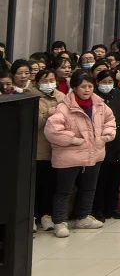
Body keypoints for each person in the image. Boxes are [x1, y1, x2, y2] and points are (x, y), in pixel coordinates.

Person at [44, 73, 117, 238]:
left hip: (94, 153)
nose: (87, 90)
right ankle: (60, 221)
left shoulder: (100, 105)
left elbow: (110, 121)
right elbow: (52, 131)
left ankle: (83, 216)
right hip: (69, 156)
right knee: (65, 190)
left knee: (89, 187)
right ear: (75, 87)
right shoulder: (64, 107)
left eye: (90, 86)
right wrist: (74, 140)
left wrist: (105, 136)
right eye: (83, 86)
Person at [92, 71, 120, 220]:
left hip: (119, 142)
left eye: (110, 82)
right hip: (101, 142)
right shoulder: (93, 96)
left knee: (115, 179)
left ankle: (112, 207)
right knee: (100, 179)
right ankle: (98, 209)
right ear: (97, 82)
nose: (107, 85)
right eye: (104, 82)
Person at [31, 70, 66, 232]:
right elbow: (33, 124)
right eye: (45, 80)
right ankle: (32, 216)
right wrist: (47, 115)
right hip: (38, 148)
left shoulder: (62, 96)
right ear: (37, 82)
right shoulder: (32, 97)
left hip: (57, 149)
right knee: (35, 185)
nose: (49, 83)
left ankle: (46, 215)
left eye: (51, 80)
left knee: (50, 185)